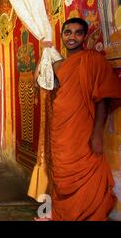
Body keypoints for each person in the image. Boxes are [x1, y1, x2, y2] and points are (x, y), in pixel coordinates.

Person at [42, 17, 121, 221]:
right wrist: (45, 51)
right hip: (61, 130)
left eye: (78, 33)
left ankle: (88, 214)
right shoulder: (60, 64)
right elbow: (40, 81)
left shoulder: (92, 60)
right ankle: (65, 213)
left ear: (84, 36)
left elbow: (101, 99)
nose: (72, 37)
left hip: (83, 131)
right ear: (62, 36)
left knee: (86, 173)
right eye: (68, 32)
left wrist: (97, 135)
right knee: (61, 171)